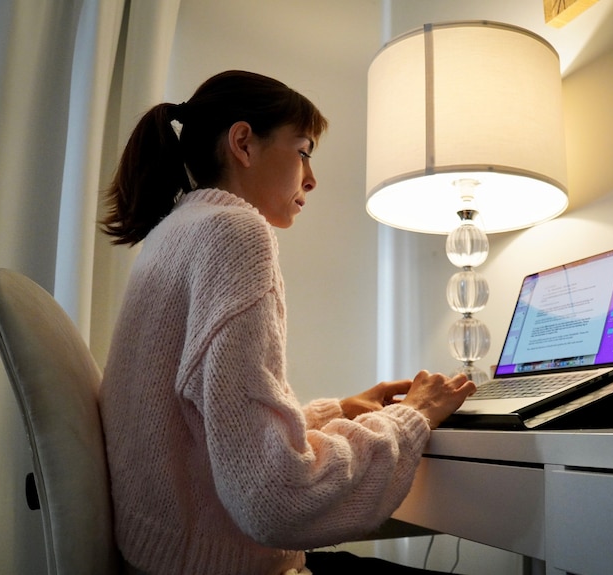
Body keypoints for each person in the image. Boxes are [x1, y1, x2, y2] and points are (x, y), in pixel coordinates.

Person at [98, 70, 476, 575]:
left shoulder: (174, 233)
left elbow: (209, 432)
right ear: (243, 143)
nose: (313, 178)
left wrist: (336, 411)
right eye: (304, 150)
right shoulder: (235, 233)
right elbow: (278, 497)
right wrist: (412, 417)